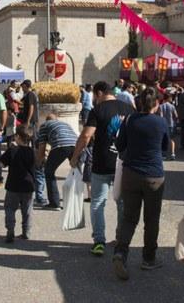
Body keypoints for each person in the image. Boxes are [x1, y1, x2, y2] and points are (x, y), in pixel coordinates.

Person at [112, 87, 169, 280]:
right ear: (156, 104)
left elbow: (120, 145)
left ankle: (121, 252)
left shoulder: (129, 120)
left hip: (131, 173)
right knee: (151, 219)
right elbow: (165, 147)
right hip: (153, 174)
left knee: (129, 217)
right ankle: (148, 258)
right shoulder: (161, 122)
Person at [71, 80, 132, 256]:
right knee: (122, 203)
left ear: (98, 93)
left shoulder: (97, 110)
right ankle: (121, 240)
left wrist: (75, 157)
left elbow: (86, 135)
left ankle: (99, 241)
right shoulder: (128, 109)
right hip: (122, 162)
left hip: (101, 162)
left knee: (97, 202)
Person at [0, 125, 36, 243]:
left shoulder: (13, 150)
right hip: (28, 185)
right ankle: (27, 232)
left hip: (13, 185)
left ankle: (10, 230)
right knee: (27, 210)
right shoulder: (32, 152)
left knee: (10, 208)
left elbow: (2, 163)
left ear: (18, 137)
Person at [36, 113, 78, 209]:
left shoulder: (44, 125)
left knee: (49, 172)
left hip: (60, 146)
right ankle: (75, 199)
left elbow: (42, 146)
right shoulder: (65, 124)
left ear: (46, 120)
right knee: (76, 172)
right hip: (75, 145)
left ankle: (54, 203)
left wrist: (39, 161)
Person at [19, 80, 45, 205]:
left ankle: (33, 155)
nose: (21, 88)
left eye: (22, 86)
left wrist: (28, 121)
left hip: (32, 122)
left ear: (26, 86)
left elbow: (31, 108)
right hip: (33, 121)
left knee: (32, 139)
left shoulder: (30, 95)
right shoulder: (31, 95)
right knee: (32, 139)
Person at [158, 90, 177, 160]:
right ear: (169, 98)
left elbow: (160, 115)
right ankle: (173, 154)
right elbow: (176, 115)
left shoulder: (160, 106)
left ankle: (164, 154)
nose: (171, 99)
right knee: (172, 139)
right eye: (171, 98)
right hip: (171, 124)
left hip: (163, 124)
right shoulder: (172, 106)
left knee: (163, 139)